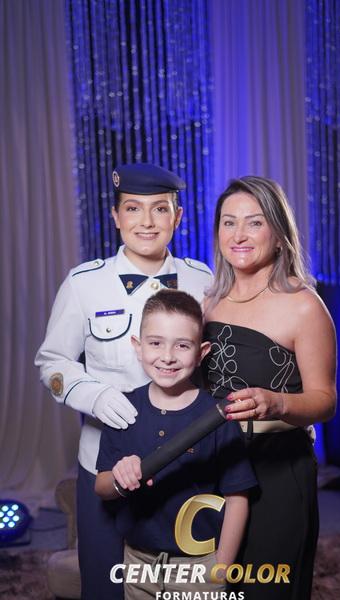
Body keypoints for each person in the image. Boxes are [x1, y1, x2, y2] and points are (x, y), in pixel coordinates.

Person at [35, 164, 213, 600]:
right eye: (133, 209)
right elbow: (52, 362)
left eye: (160, 209)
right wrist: (92, 395)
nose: (146, 222)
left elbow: (213, 365)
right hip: (105, 460)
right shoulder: (84, 284)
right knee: (104, 585)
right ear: (116, 216)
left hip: (183, 461)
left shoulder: (203, 280)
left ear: (178, 217)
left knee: (188, 583)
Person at [202, 176, 337, 600]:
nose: (238, 235)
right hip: (215, 468)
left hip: (276, 472)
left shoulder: (303, 305)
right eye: (228, 222)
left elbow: (325, 401)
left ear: (279, 235)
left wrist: (276, 402)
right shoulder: (208, 302)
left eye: (254, 222)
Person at [95, 289, 258, 600]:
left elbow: (237, 497)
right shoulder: (123, 410)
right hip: (138, 561)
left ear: (201, 352)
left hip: (199, 565)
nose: (167, 356)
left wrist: (221, 568)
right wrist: (119, 477)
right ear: (138, 347)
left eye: (182, 345)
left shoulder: (218, 416)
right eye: (155, 343)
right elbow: (101, 486)